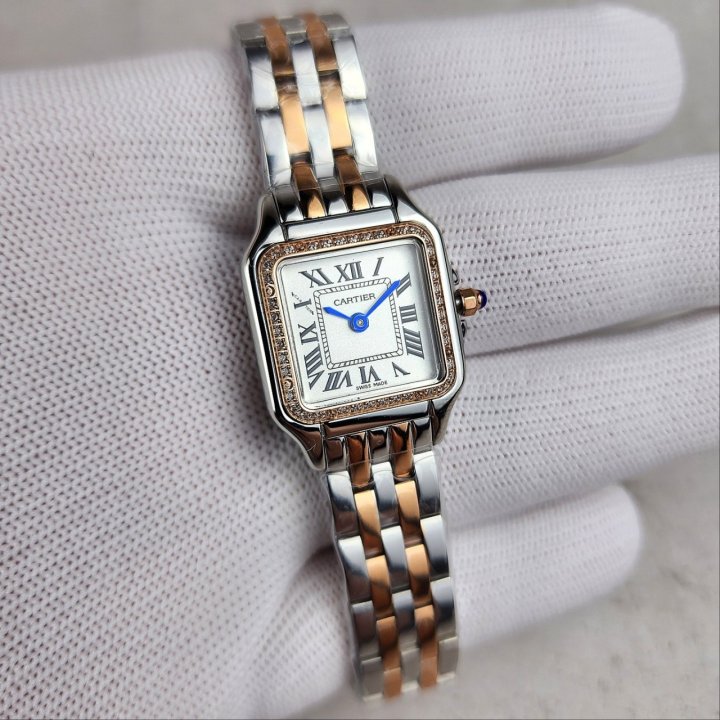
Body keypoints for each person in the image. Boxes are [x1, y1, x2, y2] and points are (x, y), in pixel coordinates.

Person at [1, 4, 717, 718]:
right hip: (340, 421)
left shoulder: (389, 299)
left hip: (370, 417)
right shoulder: (288, 277)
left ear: (452, 298)